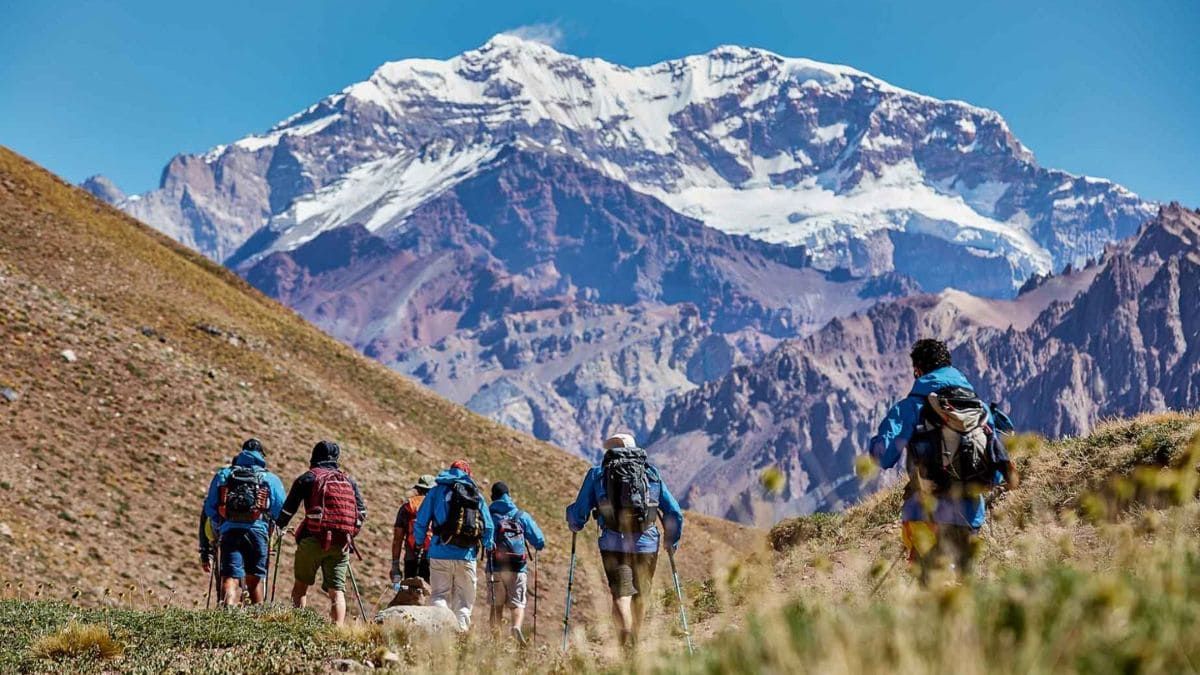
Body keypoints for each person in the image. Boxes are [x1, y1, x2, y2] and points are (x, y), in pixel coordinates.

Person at [868, 338, 1012, 578]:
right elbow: (997, 471)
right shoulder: (980, 409)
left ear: (918, 370)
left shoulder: (911, 407)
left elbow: (883, 457)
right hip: (970, 517)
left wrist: (875, 444)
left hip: (926, 514)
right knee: (961, 590)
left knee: (932, 590)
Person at [566, 433, 684, 650]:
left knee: (621, 595)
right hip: (646, 543)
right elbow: (673, 511)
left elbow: (579, 511)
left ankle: (626, 641)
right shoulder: (650, 473)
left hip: (613, 543)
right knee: (641, 594)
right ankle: (635, 642)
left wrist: (574, 521)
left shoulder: (598, 474)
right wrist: (671, 540)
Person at [275, 440, 367, 625]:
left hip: (312, 539)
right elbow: (362, 512)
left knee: (301, 586)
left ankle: (297, 625)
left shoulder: (308, 478)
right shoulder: (348, 480)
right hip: (341, 543)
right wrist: (348, 534)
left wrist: (279, 527)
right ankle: (337, 630)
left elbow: (288, 510)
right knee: (337, 591)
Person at [202, 438, 287, 607]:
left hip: (230, 531)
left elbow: (210, 508)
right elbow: (280, 510)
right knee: (254, 581)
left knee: (230, 577)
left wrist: (222, 522)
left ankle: (228, 616)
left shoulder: (224, 474)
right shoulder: (270, 479)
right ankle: (255, 623)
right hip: (258, 532)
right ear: (261, 456)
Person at [413, 459, 494, 632]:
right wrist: (487, 544)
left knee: (439, 595)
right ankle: (461, 636)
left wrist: (419, 542)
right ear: (468, 473)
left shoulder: (435, 492)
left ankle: (440, 633)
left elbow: (421, 521)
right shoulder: (475, 494)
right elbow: (488, 525)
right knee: (464, 601)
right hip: (467, 555)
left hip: (439, 552)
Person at [486, 481, 545, 645]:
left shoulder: (489, 515)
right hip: (518, 568)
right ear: (509, 496)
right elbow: (540, 541)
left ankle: (494, 641)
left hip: (495, 567)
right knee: (517, 604)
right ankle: (516, 627)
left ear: (493, 497)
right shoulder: (521, 516)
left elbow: (484, 537)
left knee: (496, 606)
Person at [392, 474, 435, 584]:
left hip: (411, 556)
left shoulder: (406, 508)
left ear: (418, 489)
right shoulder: (437, 507)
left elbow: (398, 539)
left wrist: (395, 565)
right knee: (429, 593)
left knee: (410, 592)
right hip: (432, 557)